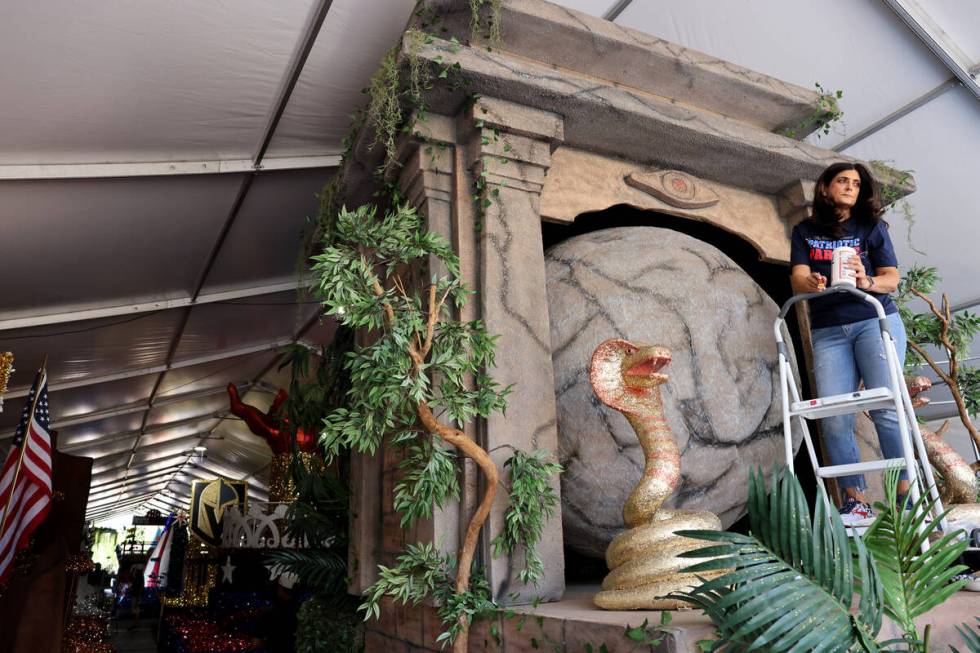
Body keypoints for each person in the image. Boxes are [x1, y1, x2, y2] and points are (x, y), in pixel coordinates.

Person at [790, 161, 909, 525]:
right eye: (842, 181)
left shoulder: (870, 227)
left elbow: (892, 278)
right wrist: (809, 282)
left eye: (856, 184)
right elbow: (796, 277)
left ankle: (906, 495)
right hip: (828, 331)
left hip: (875, 320)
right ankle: (855, 501)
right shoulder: (805, 231)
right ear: (825, 188)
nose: (849, 187)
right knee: (833, 416)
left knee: (885, 407)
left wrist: (865, 280)